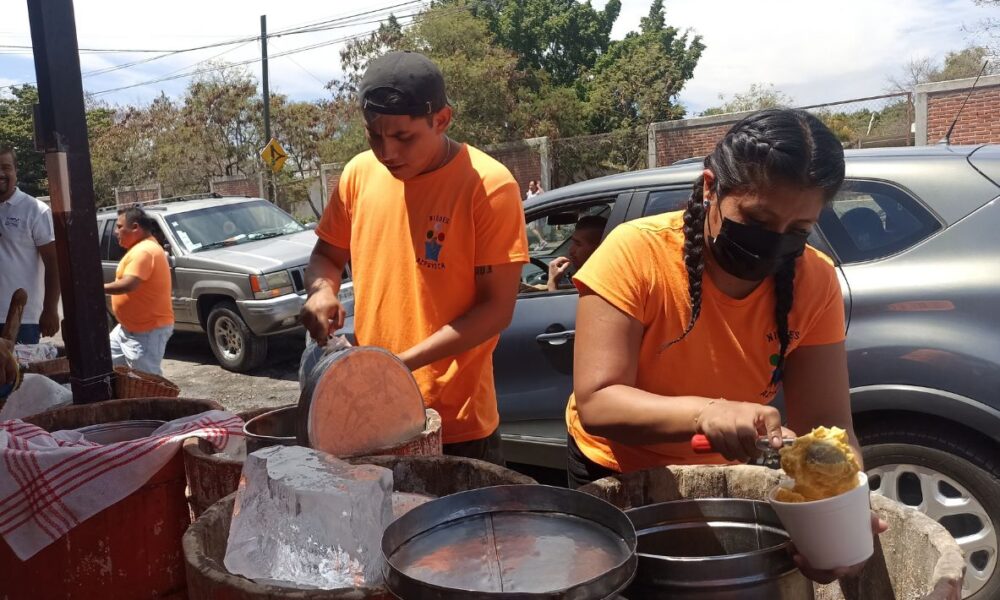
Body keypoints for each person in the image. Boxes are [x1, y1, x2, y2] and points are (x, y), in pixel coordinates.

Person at [566, 109, 885, 581]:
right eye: (757, 218)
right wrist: (706, 413)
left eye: (799, 230)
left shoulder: (814, 280)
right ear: (710, 187)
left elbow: (829, 422)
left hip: (733, 479)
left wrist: (840, 504)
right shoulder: (635, 252)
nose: (774, 242)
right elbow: (599, 400)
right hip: (618, 473)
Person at [301, 51, 528, 466]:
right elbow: (325, 257)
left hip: (454, 422)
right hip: (372, 411)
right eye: (374, 135)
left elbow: (496, 309)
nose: (386, 151)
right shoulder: (358, 174)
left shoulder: (489, 186)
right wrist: (321, 291)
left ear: (441, 120)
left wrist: (395, 367)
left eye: (403, 137)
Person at [104, 206, 174, 375]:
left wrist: (94, 289)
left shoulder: (145, 250)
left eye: (120, 227)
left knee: (147, 382)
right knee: (104, 365)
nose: (115, 232)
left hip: (146, 331)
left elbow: (129, 284)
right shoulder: (140, 248)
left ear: (135, 227)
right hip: (127, 329)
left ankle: (158, 403)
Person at [0, 146, 60, 344]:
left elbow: (53, 264)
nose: (1, 173)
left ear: (16, 170)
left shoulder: (35, 210)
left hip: (22, 320)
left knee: (19, 375)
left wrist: (50, 309)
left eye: (6, 167)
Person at [545, 215, 607, 291]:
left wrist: (552, 283)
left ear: (598, 248)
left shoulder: (599, 285)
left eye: (578, 244)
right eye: (573, 242)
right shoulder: (589, 278)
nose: (571, 250)